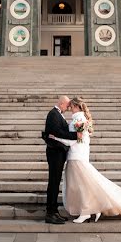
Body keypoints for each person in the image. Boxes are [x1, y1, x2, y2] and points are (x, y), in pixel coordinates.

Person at [49, 97, 121, 223]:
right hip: (76, 155)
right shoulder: (79, 118)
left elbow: (77, 139)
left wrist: (56, 138)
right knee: (82, 185)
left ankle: (86, 212)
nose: (69, 108)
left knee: (81, 186)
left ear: (76, 106)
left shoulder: (79, 118)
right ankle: (93, 209)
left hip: (77, 156)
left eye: (71, 106)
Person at [41, 95, 77, 224]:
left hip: (58, 153)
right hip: (54, 153)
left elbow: (59, 131)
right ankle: (50, 213)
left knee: (55, 182)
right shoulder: (53, 114)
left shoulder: (58, 114)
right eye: (67, 105)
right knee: (53, 183)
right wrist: (75, 135)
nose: (68, 108)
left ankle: (54, 211)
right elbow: (57, 132)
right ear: (62, 103)